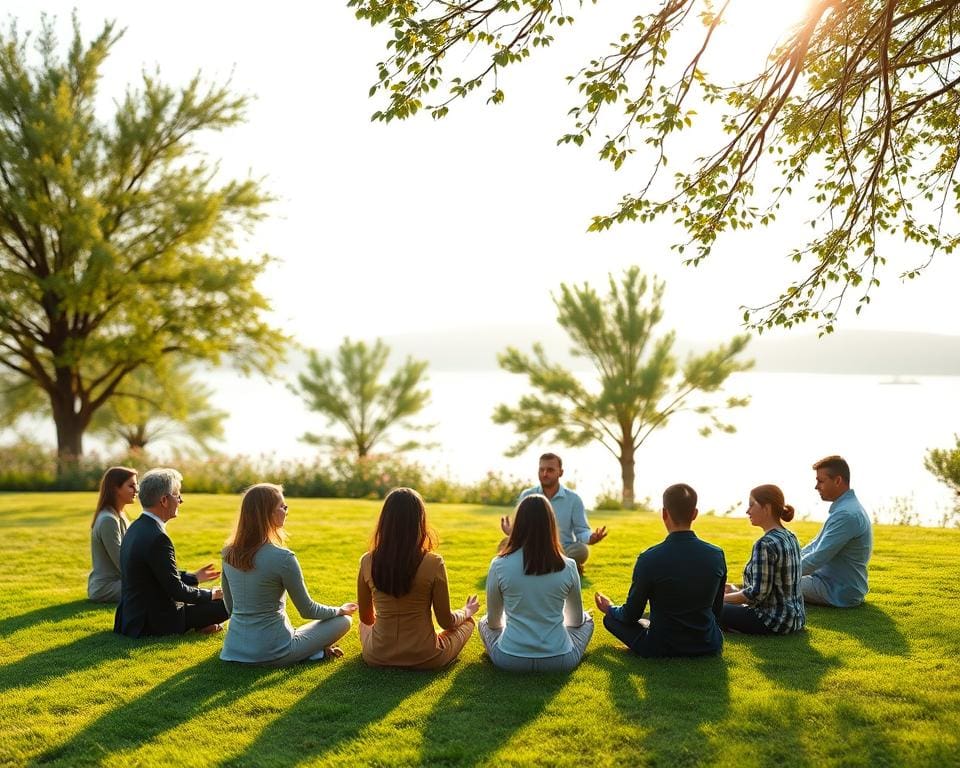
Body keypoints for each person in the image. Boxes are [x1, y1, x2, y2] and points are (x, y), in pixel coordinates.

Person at [220, 484, 356, 665]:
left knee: (297, 631)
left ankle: (315, 652)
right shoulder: (283, 557)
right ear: (268, 513)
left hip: (233, 650)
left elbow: (230, 607)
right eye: (283, 507)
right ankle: (315, 653)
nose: (286, 511)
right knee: (344, 621)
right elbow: (308, 610)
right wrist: (340, 610)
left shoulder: (228, 553)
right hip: (275, 652)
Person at [595, 483, 726, 657]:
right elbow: (716, 611)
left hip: (662, 646)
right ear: (695, 514)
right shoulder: (716, 555)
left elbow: (630, 615)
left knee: (610, 619)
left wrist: (610, 608)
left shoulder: (649, 558)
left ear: (664, 513)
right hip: (708, 644)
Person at [357, 487, 478, 669]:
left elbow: (366, 619)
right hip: (426, 657)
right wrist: (466, 611)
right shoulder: (433, 562)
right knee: (468, 622)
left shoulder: (367, 560)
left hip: (377, 655)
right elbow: (446, 622)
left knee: (362, 626)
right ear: (419, 522)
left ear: (385, 521)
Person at [479, 494, 594, 672]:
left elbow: (494, 623)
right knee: (587, 620)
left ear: (517, 525)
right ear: (550, 525)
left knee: (484, 621)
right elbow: (575, 621)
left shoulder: (499, 564)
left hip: (509, 659)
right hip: (560, 659)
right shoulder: (569, 565)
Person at [114, 467, 228, 638]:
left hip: (131, 617)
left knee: (207, 601)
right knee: (227, 603)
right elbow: (177, 591)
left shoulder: (136, 527)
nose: (180, 500)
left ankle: (201, 624)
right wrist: (211, 594)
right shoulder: (157, 537)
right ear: (164, 500)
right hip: (154, 622)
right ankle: (200, 624)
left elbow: (156, 576)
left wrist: (193, 578)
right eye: (177, 495)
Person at [720, 484, 805, 635]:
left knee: (711, 608)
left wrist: (721, 598)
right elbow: (770, 588)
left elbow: (756, 594)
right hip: (794, 620)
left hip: (772, 621)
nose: (748, 511)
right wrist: (735, 591)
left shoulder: (765, 544)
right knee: (727, 600)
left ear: (767, 508)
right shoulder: (790, 537)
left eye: (752, 505)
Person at [502, 452, 607, 573]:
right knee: (504, 544)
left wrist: (590, 537)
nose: (545, 474)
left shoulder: (573, 499)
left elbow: (581, 530)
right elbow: (520, 530)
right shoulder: (527, 495)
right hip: (531, 548)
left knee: (582, 550)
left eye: (550, 470)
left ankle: (539, 566)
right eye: (541, 470)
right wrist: (511, 532)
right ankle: (565, 567)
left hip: (561, 550)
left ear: (560, 472)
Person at [801, 455, 873, 607]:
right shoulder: (844, 509)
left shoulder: (846, 514)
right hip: (827, 581)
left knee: (773, 584)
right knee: (766, 581)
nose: (816, 486)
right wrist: (787, 561)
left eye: (820, 481)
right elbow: (815, 545)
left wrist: (780, 574)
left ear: (838, 481)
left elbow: (818, 557)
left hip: (837, 590)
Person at [88, 466, 138, 603]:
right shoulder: (108, 520)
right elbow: (122, 563)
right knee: (156, 589)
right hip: (106, 588)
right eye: (131, 486)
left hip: (121, 583)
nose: (136, 490)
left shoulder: (120, 515)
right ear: (116, 488)